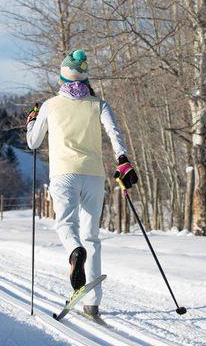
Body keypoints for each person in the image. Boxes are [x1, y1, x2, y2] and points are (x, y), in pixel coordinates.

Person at [26, 49, 138, 317]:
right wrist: (122, 159)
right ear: (85, 77)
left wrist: (31, 121)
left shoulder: (50, 106)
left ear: (62, 77)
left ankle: (74, 252)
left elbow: (33, 143)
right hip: (94, 175)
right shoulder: (98, 104)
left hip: (63, 174)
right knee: (93, 237)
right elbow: (114, 132)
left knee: (66, 225)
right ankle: (93, 302)